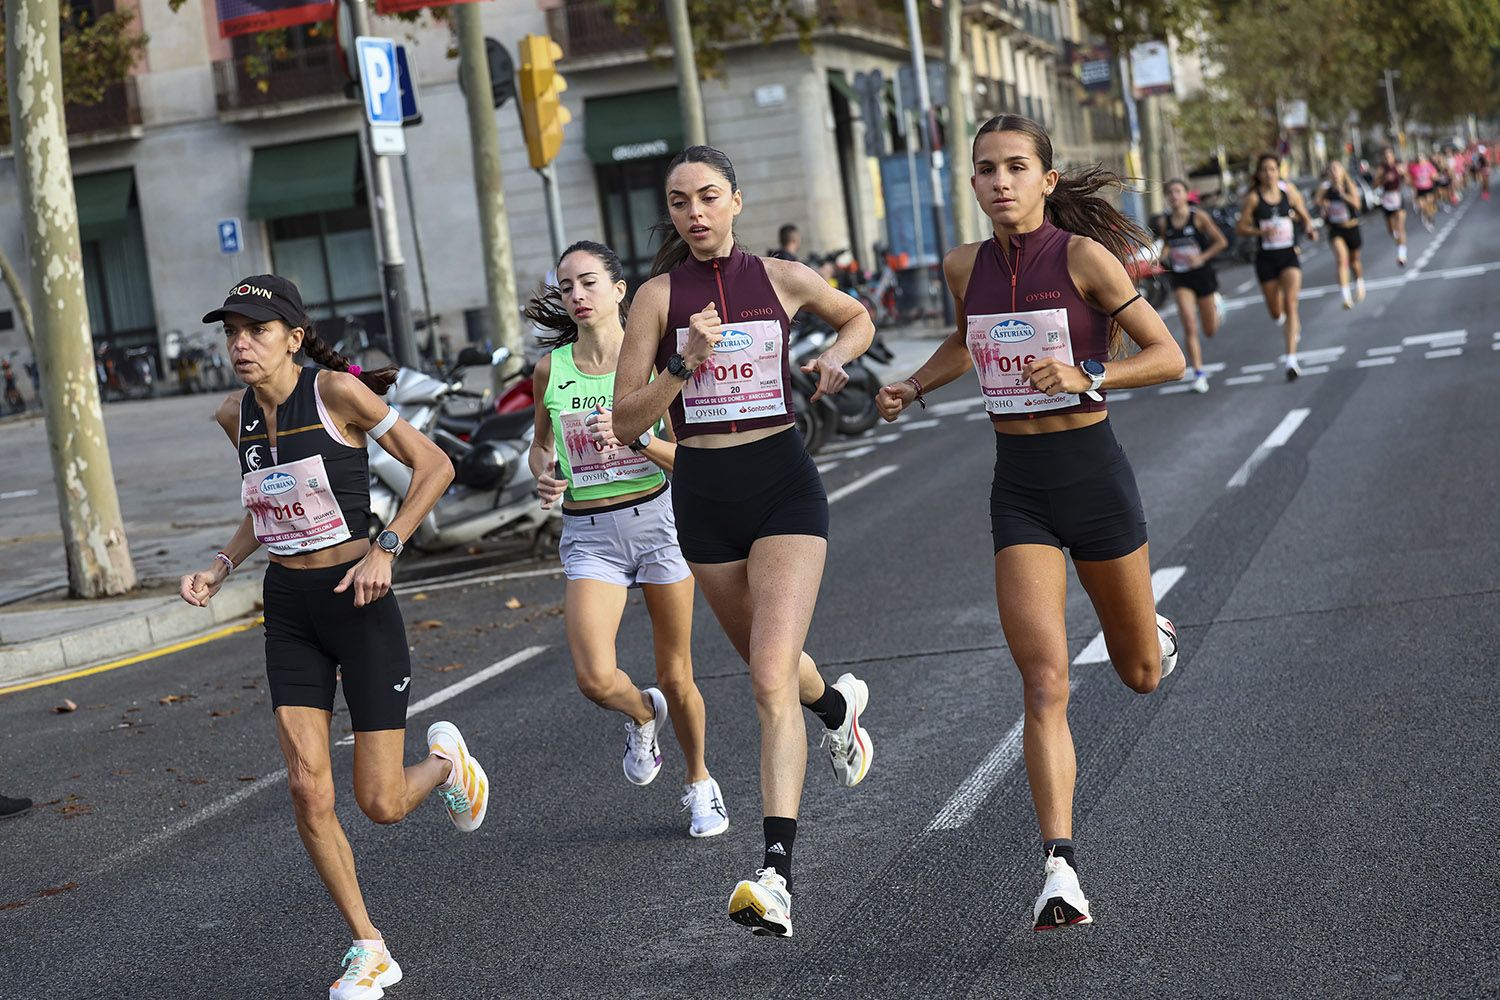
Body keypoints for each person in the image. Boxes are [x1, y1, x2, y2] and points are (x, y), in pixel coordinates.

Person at [876, 113, 1184, 931]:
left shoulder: (1085, 257)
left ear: (1047, 180)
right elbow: (967, 340)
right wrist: (915, 385)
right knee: (1045, 682)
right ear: (972, 184)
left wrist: (1086, 372)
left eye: (1016, 167)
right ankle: (1061, 867)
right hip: (1020, 490)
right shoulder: (961, 266)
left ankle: (1149, 629)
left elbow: (1168, 355)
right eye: (985, 169)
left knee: (1140, 674)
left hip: (1094, 477)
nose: (1000, 181)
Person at [179, 275, 487, 1000]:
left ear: (292, 335)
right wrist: (222, 565)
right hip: (288, 607)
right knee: (306, 787)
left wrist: (386, 545)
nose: (239, 344)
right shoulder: (234, 415)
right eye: (231, 332)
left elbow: (434, 465)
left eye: (254, 330)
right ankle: (369, 946)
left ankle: (447, 766)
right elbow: (267, 502)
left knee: (379, 801)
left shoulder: (338, 395)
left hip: (359, 597)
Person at [610, 145, 876, 939]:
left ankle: (775, 875)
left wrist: (836, 354)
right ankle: (838, 707)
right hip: (704, 499)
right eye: (680, 201)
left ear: (736, 202)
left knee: (765, 679)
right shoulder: (657, 298)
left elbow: (857, 315)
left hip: (782, 487)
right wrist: (684, 368)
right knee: (777, 663)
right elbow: (626, 423)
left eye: (708, 197)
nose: (694, 213)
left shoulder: (782, 278)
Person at [524, 239, 728, 839]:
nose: (577, 296)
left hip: (660, 522)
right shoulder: (550, 370)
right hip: (589, 533)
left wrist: (634, 437)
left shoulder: (655, 365)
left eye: (589, 282)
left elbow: (690, 461)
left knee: (677, 674)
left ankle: (699, 784)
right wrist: (544, 472)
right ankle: (642, 715)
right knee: (593, 678)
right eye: (567, 287)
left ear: (620, 292)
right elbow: (540, 444)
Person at [1237, 153, 1318, 380]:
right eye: (1264, 170)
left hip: (1288, 255)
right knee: (1276, 311)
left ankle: (1291, 360)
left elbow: (1304, 215)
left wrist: (1310, 228)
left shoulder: (1288, 192)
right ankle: (1287, 325)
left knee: (1291, 304)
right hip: (1266, 258)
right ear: (1259, 174)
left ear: (1278, 171)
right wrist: (1260, 231)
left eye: (1273, 169)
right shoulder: (1254, 199)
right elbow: (1240, 228)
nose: (1269, 173)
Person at [1152, 178, 1228, 393]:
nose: (1174, 196)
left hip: (1202, 275)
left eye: (1177, 191)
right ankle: (1199, 373)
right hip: (1181, 278)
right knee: (1188, 323)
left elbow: (1221, 241)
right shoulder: (1164, 222)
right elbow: (1167, 243)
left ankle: (1216, 306)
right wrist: (1162, 255)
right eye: (1170, 193)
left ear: (1186, 195)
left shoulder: (1199, 217)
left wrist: (1202, 257)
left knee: (1209, 330)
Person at [1317, 161, 1366, 309]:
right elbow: (1318, 202)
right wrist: (1323, 205)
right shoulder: (1325, 188)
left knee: (1354, 262)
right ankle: (1345, 296)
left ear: (1342, 171)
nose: (1334, 171)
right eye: (1331, 169)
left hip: (1351, 227)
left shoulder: (1349, 184)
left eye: (1337, 168)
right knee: (1341, 260)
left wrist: (1343, 195)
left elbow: (1357, 204)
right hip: (1336, 229)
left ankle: (1359, 282)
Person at [1376, 148, 1409, 266]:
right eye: (1386, 156)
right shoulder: (1381, 169)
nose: (1388, 158)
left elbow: (1408, 180)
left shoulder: (1399, 165)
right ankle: (1399, 242)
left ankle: (1402, 254)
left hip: (1397, 197)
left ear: (1393, 156)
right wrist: (1384, 178)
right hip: (1386, 199)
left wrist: (1404, 174)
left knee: (1400, 227)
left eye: (1389, 156)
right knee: (1392, 230)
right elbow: (1375, 185)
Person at [1409, 155, 1438, 231]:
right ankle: (1425, 217)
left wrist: (1434, 176)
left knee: (1429, 205)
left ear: (1425, 159)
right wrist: (1412, 185)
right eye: (1419, 159)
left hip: (1428, 188)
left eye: (1422, 158)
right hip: (1419, 189)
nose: (1420, 160)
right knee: (1422, 206)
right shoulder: (1413, 167)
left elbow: (1435, 175)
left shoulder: (1429, 166)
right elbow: (1410, 177)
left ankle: (1430, 218)